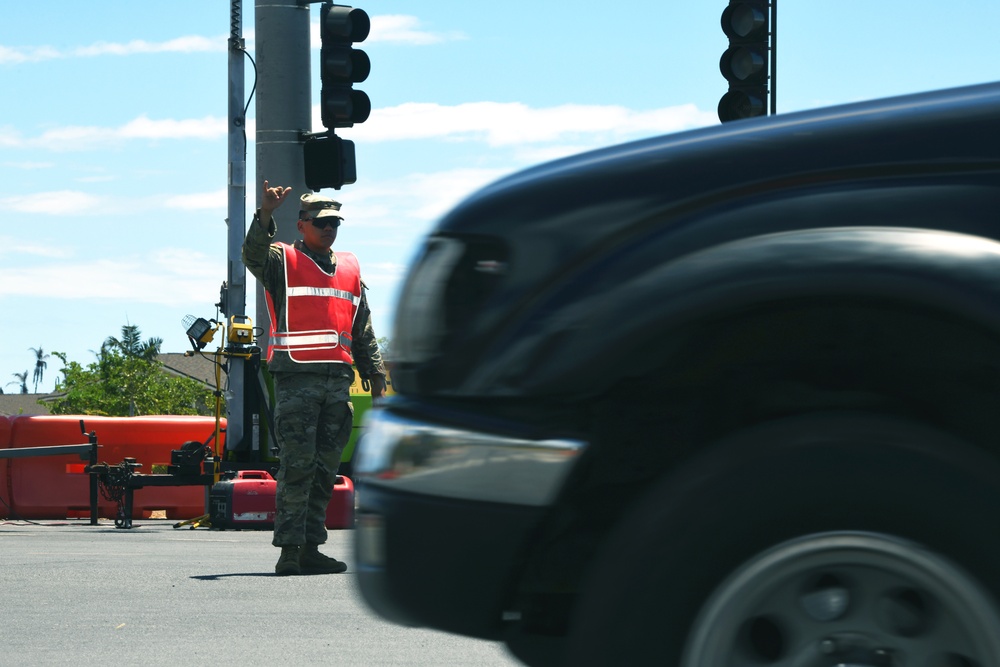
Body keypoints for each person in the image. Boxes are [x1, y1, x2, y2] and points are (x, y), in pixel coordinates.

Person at [243, 180, 387, 576]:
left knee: (326, 469)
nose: (329, 229)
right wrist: (266, 214)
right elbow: (251, 254)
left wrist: (374, 372)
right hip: (297, 381)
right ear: (302, 224)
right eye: (322, 222)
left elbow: (362, 327)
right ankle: (289, 550)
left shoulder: (350, 268)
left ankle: (311, 547)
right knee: (297, 466)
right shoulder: (281, 260)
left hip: (337, 383)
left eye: (335, 223)